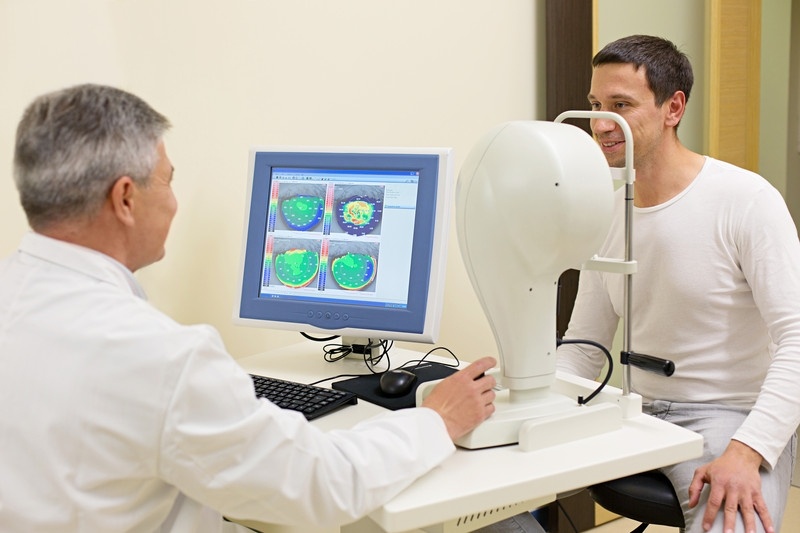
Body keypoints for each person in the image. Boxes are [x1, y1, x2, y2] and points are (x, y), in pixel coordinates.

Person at [0, 83, 498, 532]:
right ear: (126, 199)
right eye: (168, 181)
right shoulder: (158, 357)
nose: (174, 202)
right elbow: (320, 487)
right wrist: (438, 420)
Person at [556, 35, 800, 533]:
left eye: (621, 105)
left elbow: (797, 338)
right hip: (631, 408)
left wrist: (747, 449)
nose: (602, 124)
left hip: (728, 415)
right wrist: (524, 402)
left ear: (673, 108)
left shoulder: (746, 200)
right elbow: (583, 349)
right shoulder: (605, 206)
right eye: (596, 105)